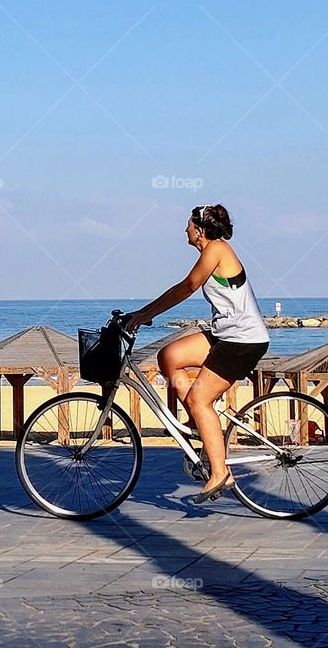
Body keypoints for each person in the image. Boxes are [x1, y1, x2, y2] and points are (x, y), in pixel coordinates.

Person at [126, 204, 270, 503]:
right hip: (225, 335)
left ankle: (220, 473)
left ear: (200, 230)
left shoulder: (217, 249)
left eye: (189, 225)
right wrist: (142, 313)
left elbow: (188, 286)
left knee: (198, 399)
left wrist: (146, 314)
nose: (185, 230)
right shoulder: (212, 251)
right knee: (169, 356)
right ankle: (199, 422)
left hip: (242, 341)